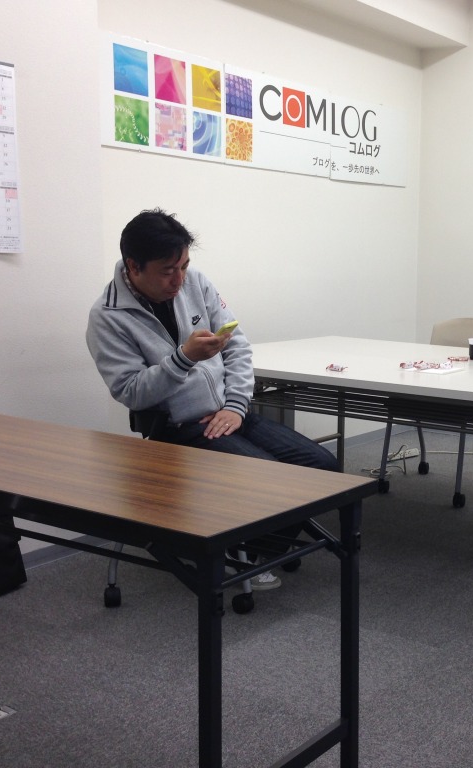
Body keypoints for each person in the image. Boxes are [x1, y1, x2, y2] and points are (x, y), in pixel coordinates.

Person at [86, 208, 337, 590]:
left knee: (322, 467)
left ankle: (255, 548)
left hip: (229, 412)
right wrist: (183, 358)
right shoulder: (108, 316)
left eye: (184, 266)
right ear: (134, 267)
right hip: (179, 427)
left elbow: (237, 345)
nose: (179, 279)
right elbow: (130, 391)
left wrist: (236, 405)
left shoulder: (195, 283)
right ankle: (240, 555)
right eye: (168, 271)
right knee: (271, 477)